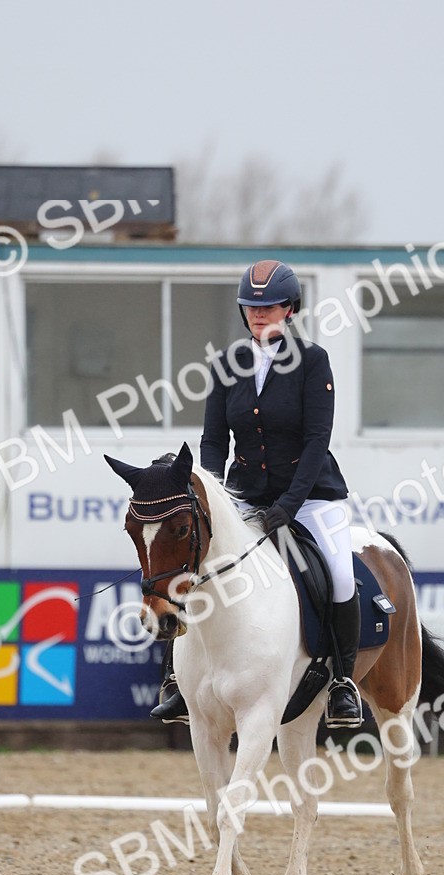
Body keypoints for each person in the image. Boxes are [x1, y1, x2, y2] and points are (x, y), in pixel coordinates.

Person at [151, 259, 362, 729]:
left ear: (290, 309)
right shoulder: (226, 365)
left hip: (310, 497)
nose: (259, 314)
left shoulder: (312, 361)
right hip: (245, 497)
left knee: (341, 575)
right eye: (252, 306)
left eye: (270, 306)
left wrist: (288, 506)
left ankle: (343, 683)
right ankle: (177, 681)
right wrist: (211, 498)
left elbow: (315, 441)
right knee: (194, 566)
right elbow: (213, 441)